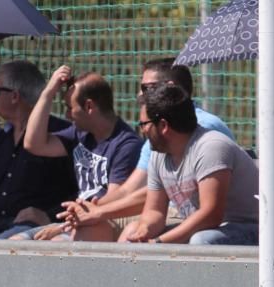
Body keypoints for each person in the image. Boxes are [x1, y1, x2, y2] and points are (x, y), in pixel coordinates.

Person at [58, 58, 235, 241]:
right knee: (98, 229)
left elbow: (205, 209)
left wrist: (99, 212)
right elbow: (134, 192)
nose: (139, 94)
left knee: (195, 239)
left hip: (199, 218)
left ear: (170, 88)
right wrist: (87, 211)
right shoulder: (160, 146)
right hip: (172, 212)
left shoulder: (202, 132)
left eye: (146, 88)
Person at [123, 84, 259, 245]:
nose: (143, 130)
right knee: (131, 234)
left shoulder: (211, 147)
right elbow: (154, 211)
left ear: (163, 126)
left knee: (201, 241)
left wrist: (159, 242)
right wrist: (144, 232)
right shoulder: (158, 155)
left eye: (144, 124)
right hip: (208, 229)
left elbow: (211, 215)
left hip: (252, 229)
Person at [14, 68, 140, 241]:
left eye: (69, 108)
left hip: (99, 222)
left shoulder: (126, 144)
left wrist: (61, 228)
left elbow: (112, 200)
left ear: (89, 106)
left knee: (55, 245)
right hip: (75, 220)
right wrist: (48, 92)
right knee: (17, 242)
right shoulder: (79, 134)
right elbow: (33, 144)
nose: (66, 114)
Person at [0, 60, 75, 238]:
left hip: (35, 230)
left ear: (15, 96)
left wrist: (49, 215)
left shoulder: (61, 135)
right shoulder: (0, 140)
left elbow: (80, 187)